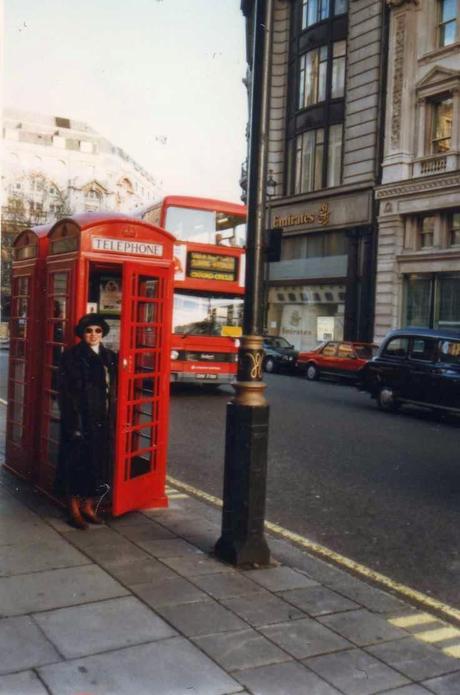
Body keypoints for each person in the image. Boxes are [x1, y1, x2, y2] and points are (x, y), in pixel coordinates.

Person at [55, 313, 118, 529]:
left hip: (103, 418)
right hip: (80, 418)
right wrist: (73, 423)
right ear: (82, 334)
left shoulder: (110, 356)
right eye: (89, 331)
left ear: (102, 333)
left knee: (97, 463)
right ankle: (73, 509)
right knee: (76, 463)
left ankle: (89, 506)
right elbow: (64, 392)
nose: (93, 334)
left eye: (97, 331)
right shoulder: (71, 356)